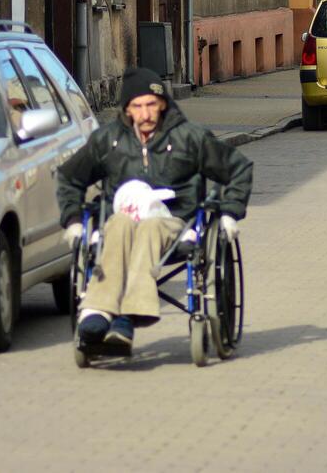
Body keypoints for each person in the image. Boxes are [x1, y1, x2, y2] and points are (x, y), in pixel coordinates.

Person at [56, 67, 253, 353]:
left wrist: (229, 213)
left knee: (148, 227)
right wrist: (73, 219)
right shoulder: (109, 140)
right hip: (120, 219)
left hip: (174, 222)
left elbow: (238, 168)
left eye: (151, 104)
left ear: (162, 104)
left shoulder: (189, 137)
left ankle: (128, 316)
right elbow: (69, 176)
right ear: (127, 109)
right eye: (137, 106)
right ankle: (96, 312)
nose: (145, 113)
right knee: (120, 226)